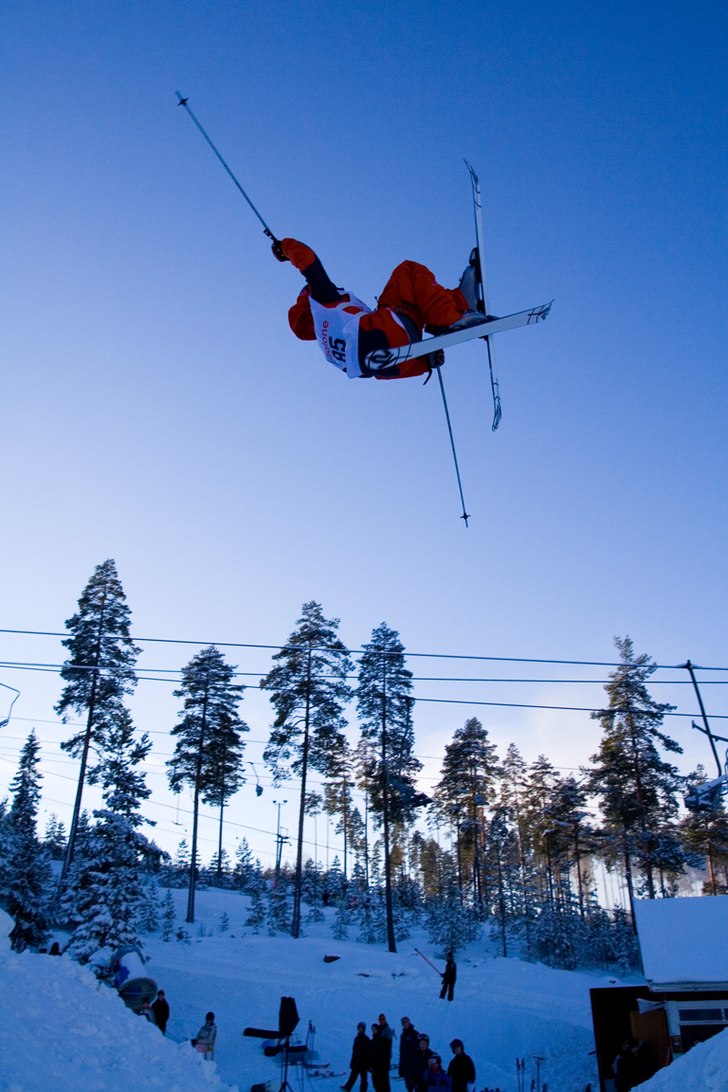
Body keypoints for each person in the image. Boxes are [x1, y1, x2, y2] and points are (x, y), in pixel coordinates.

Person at [274, 238, 486, 381]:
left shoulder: (328, 349)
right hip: (392, 328)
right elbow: (309, 262)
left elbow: (375, 367)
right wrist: (285, 247)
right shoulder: (323, 304)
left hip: (393, 351)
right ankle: (455, 313)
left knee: (412, 301)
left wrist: (422, 361)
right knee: (408, 272)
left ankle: (450, 313)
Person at [342, 1021, 371, 1092]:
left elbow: (369, 1052)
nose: (360, 1029)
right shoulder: (356, 1039)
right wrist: (352, 1061)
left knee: (364, 1079)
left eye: (362, 1028)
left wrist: (368, 1064)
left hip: (363, 1063)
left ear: (364, 1029)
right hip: (356, 1062)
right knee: (352, 1077)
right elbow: (354, 1051)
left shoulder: (366, 1039)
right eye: (359, 1028)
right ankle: (347, 1088)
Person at [399, 1016, 421, 1092]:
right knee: (409, 1087)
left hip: (414, 1066)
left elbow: (420, 1049)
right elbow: (402, 1052)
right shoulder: (402, 1036)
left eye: (406, 1022)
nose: (405, 1024)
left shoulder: (415, 1034)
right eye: (403, 1023)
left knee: (416, 1086)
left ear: (409, 1022)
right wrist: (401, 1067)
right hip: (406, 1066)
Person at [370, 1023, 391, 1092]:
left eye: (375, 1029)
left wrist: (386, 1065)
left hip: (382, 1068)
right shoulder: (372, 1041)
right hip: (375, 1068)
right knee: (376, 1085)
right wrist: (370, 1065)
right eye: (372, 1029)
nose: (373, 1031)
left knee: (384, 1086)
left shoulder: (382, 1040)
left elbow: (386, 1054)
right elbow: (371, 1054)